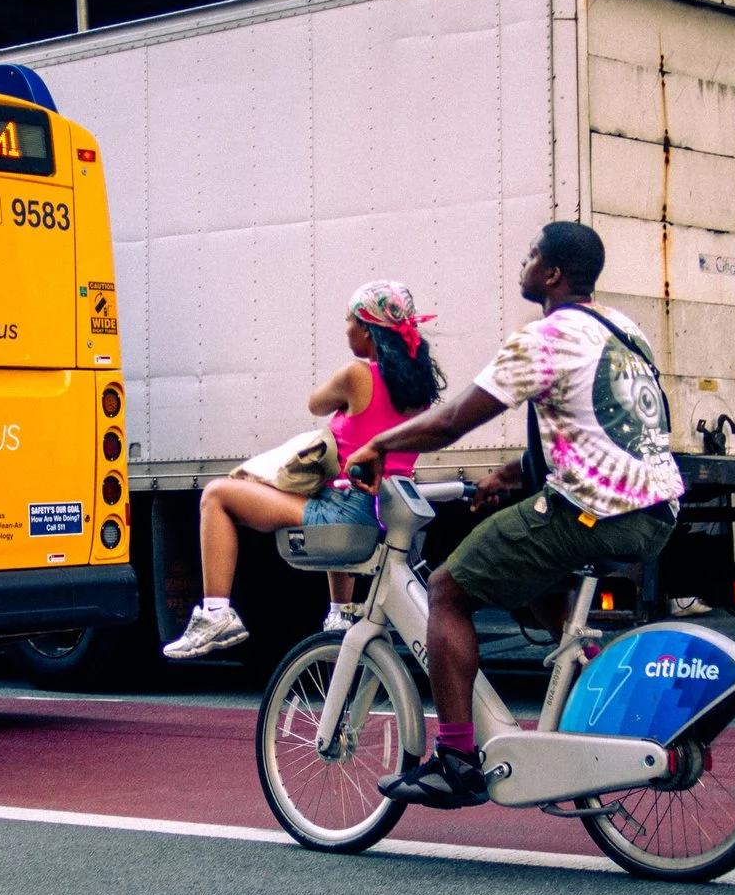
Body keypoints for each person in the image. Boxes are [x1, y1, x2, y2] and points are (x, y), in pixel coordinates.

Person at [343, 221, 682, 808]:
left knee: (449, 587)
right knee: (521, 564)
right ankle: (590, 687)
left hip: (596, 508)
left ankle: (454, 762)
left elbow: (453, 420)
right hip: (656, 508)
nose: (522, 264)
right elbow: (598, 423)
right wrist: (510, 474)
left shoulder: (546, 337)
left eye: (531, 256)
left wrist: (378, 445)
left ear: (552, 274)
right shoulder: (624, 330)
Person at [162, 281, 443, 660]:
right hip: (386, 514)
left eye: (349, 320)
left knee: (217, 495)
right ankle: (339, 613)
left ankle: (216, 614)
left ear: (367, 329)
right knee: (326, 481)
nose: (345, 329)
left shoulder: (356, 376)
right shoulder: (419, 390)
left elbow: (315, 404)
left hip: (344, 513)